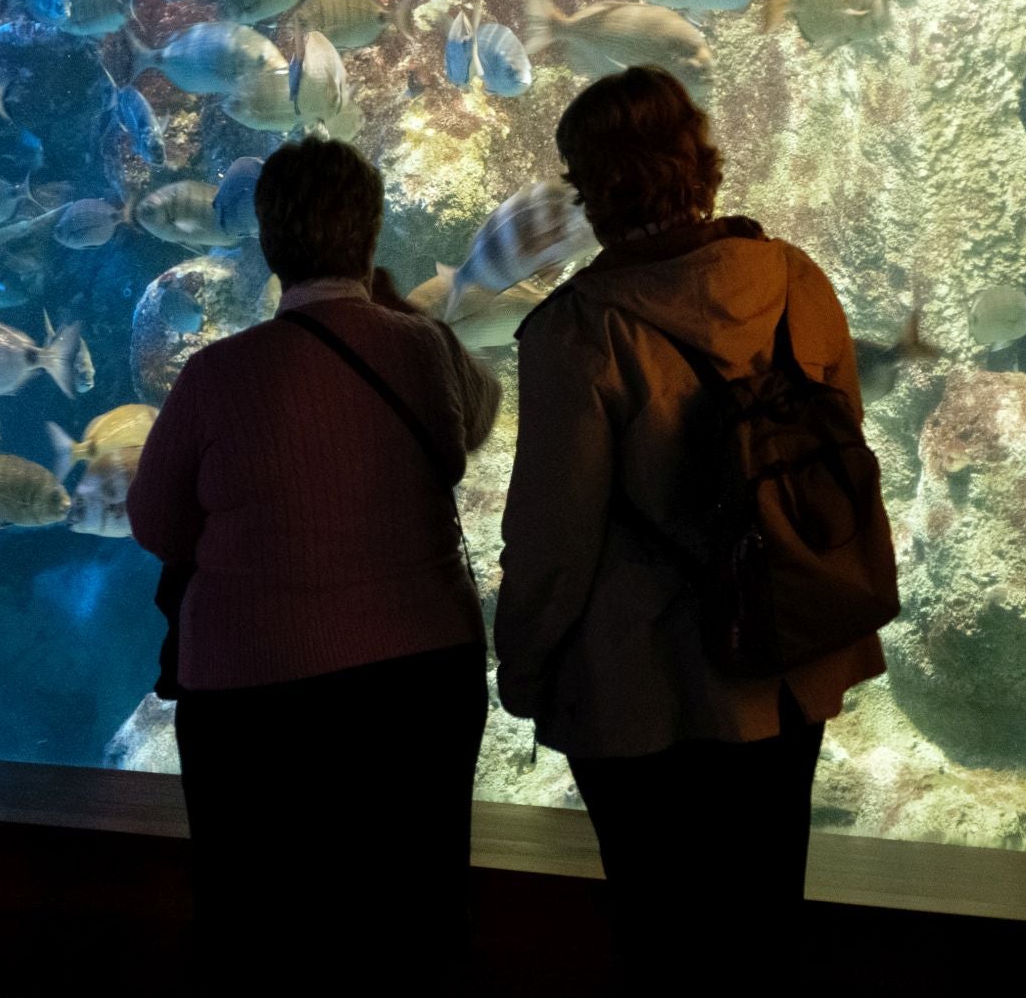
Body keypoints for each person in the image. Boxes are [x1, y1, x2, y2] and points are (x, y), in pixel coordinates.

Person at [493, 67, 886, 983]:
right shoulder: (795, 278)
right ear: (700, 160)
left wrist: (524, 665)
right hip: (790, 665)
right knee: (764, 925)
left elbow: (554, 542)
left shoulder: (576, 334)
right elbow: (841, 459)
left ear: (591, 187)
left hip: (648, 695)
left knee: (665, 941)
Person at [126, 138, 502, 996]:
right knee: (415, 912)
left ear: (266, 242)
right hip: (419, 680)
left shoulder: (216, 374)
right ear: (372, 235)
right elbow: (477, 418)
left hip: (254, 695)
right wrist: (404, 312)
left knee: (260, 918)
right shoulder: (423, 350)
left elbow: (155, 523)